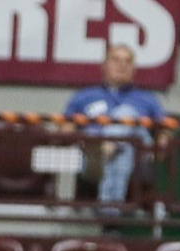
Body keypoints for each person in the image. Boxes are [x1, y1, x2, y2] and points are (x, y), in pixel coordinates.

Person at [62, 45, 166, 211]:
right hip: (92, 156)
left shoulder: (148, 99)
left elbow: (163, 133)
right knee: (120, 153)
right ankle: (112, 213)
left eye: (128, 61)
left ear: (134, 69)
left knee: (127, 114)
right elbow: (65, 130)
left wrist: (159, 150)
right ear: (103, 65)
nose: (122, 65)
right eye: (116, 59)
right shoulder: (83, 97)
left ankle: (108, 210)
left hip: (138, 156)